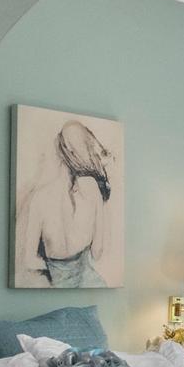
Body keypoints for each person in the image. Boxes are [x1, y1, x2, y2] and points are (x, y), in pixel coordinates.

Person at [15, 119, 115, 287]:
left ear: (60, 150)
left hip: (58, 283)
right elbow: (97, 252)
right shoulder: (92, 188)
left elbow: (30, 260)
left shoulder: (40, 197)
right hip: (91, 283)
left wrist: (56, 269)